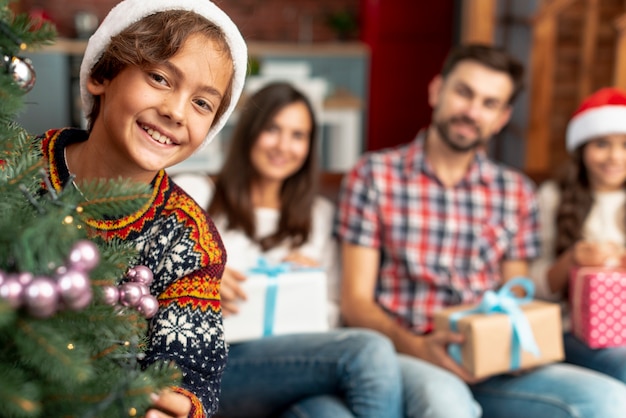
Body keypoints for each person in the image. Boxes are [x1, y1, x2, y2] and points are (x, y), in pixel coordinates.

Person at [334, 43, 626, 418]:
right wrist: (418, 347)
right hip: (410, 352)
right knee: (449, 406)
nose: (472, 112)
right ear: (437, 90)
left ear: (502, 118)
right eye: (463, 92)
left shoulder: (516, 192)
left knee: (610, 401)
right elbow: (355, 302)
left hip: (492, 359)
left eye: (489, 104)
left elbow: (515, 292)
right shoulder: (373, 175)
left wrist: (516, 343)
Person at [38, 0, 248, 417]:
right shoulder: (14, 169)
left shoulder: (190, 239)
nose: (175, 111)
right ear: (102, 73)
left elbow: (191, 369)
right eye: (159, 78)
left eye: (202, 104)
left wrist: (177, 406)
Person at [174, 81, 402, 418]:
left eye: (298, 136)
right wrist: (202, 282)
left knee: (330, 415)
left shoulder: (319, 217)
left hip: (293, 366)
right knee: (370, 350)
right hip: (216, 363)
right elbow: (149, 274)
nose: (284, 145)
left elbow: (333, 313)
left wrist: (304, 288)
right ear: (250, 133)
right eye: (273, 129)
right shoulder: (198, 194)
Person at [529, 86, 626, 383]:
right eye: (601, 144)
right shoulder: (553, 197)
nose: (614, 157)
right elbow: (532, 285)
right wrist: (573, 258)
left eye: (624, 145)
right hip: (571, 330)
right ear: (581, 148)